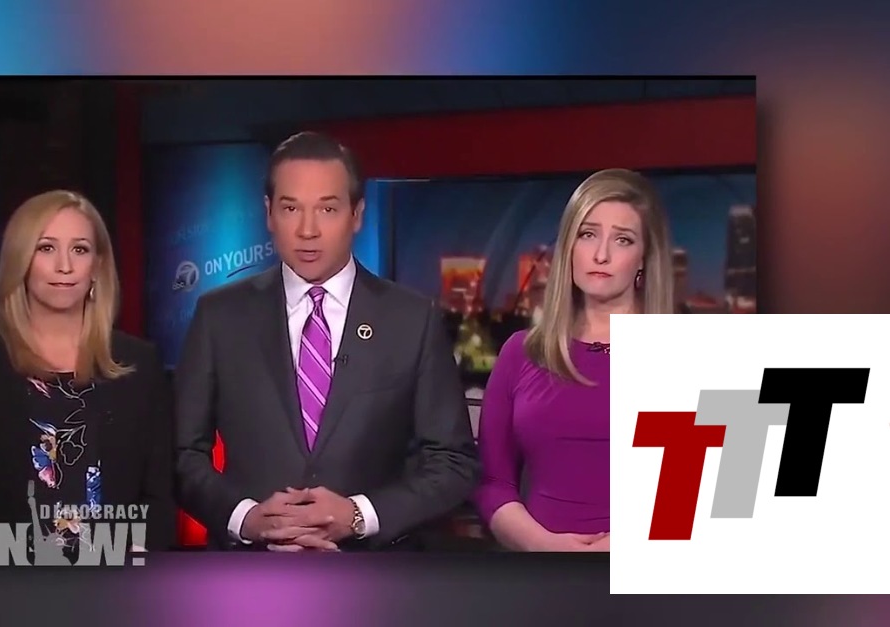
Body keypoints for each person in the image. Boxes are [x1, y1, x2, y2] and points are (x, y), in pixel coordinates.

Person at [174, 132, 480, 552]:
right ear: (268, 214)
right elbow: (182, 455)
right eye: (290, 208)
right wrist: (246, 518)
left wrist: (358, 514)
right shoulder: (219, 316)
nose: (307, 230)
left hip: (374, 573)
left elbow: (453, 462)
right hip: (249, 571)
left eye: (327, 209)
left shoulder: (412, 319)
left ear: (357, 214)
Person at [0, 190, 176, 555]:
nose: (65, 266)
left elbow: (160, 497)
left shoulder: (140, 363)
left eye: (80, 249)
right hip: (1, 580)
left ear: (97, 265)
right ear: (20, 260)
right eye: (46, 248)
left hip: (117, 577)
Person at [472, 169, 674, 552]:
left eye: (623, 239)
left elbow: (716, 497)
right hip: (542, 572)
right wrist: (543, 545)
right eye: (588, 234)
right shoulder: (521, 352)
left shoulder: (684, 356)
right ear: (569, 247)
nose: (601, 254)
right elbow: (493, 482)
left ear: (645, 257)